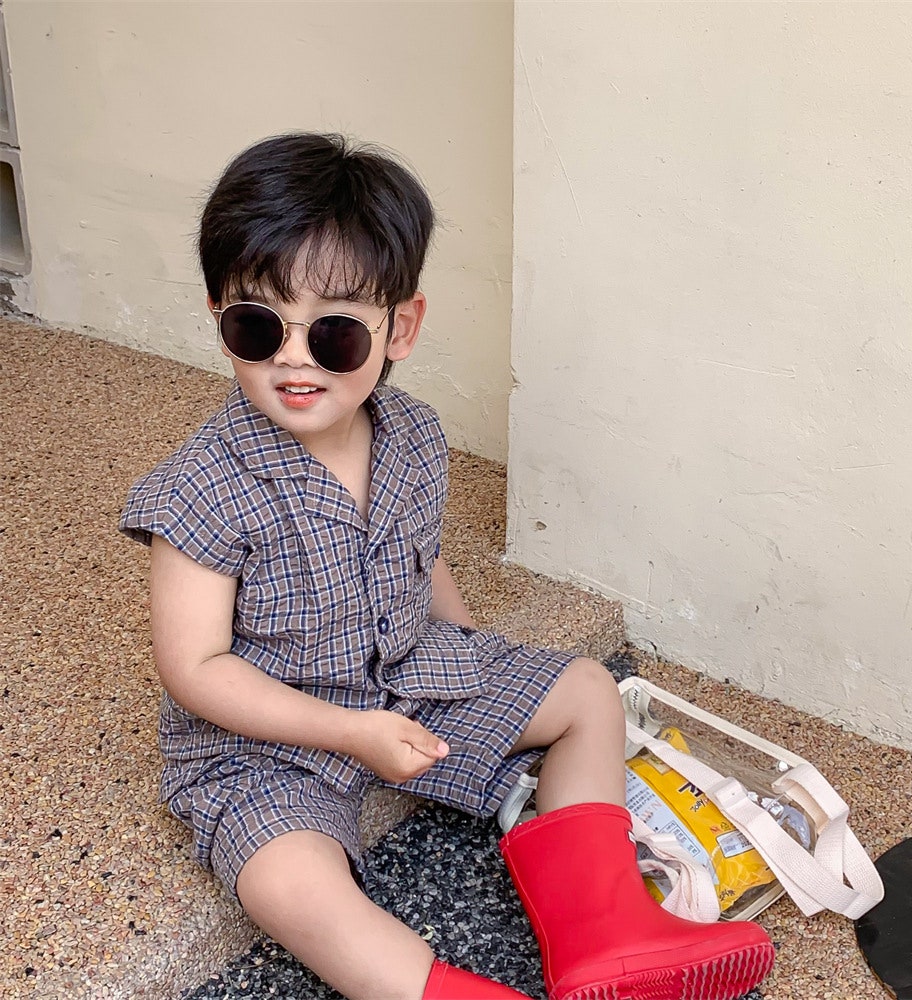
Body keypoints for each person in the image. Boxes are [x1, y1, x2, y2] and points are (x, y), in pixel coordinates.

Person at [120, 132, 774, 1000]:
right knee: (288, 882)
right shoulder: (203, 487)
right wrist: (350, 733)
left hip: (407, 677)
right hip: (264, 745)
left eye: (336, 332)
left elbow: (420, 563)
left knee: (585, 690)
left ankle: (606, 931)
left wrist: (469, 653)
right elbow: (196, 667)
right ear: (217, 315)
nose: (293, 357)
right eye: (257, 325)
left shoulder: (416, 437)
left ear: (401, 327)